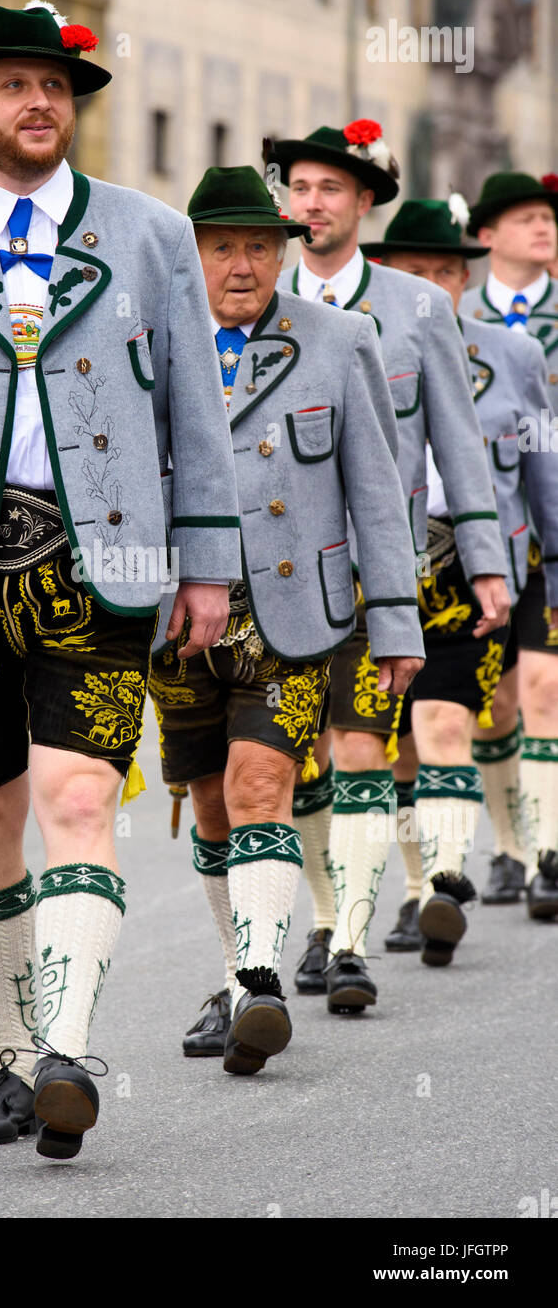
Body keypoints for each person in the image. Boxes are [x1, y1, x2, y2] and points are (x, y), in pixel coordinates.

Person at [0, 1, 240, 1159]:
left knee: (81, 801)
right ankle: (9, 1058)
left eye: (57, 86)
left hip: (103, 566)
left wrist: (210, 561)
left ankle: (68, 1047)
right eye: (14, 84)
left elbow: (194, 404)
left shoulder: (145, 234)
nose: (40, 102)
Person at [149, 166, 422, 1065]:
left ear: (282, 254)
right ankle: (237, 972)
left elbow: (378, 496)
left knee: (258, 785)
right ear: (190, 256)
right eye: (222, 246)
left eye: (260, 247)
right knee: (209, 804)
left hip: (296, 616)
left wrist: (393, 624)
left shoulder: (340, 337)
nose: (242, 264)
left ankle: (259, 984)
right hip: (175, 617)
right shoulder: (148, 342)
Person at [272, 122, 509, 1005]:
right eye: (299, 187)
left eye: (331, 188)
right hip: (276, 571)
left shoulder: (417, 307)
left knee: (362, 745)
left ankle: (348, 939)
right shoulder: (251, 292)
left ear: (364, 201)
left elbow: (458, 441)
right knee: (294, 764)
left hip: (382, 564)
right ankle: (325, 908)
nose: (313, 203)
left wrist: (484, 560)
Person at [362, 195, 558, 960]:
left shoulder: (508, 352)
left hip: (495, 561)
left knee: (478, 712)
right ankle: (419, 894)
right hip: (387, 563)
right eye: (416, 272)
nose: (434, 286)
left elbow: (541, 464)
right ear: (386, 274)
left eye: (447, 271)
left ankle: (530, 856)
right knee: (401, 743)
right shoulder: (355, 345)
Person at [461, 171, 558, 919]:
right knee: (493, 703)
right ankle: (507, 845)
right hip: (488, 526)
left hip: (547, 527)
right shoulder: (453, 317)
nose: (544, 228)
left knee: (544, 689)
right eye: (526, 218)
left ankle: (547, 852)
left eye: (548, 217)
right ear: (486, 235)